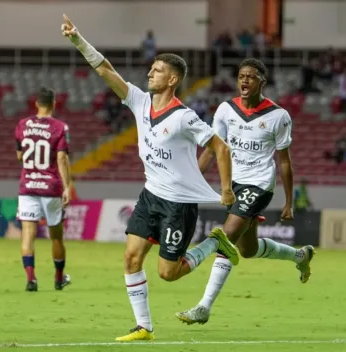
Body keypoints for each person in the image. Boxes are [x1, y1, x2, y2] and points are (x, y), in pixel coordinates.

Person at [61, 14, 239, 341]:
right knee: (130, 257)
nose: (149, 73)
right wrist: (77, 40)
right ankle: (144, 327)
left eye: (157, 71)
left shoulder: (185, 117)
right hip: (150, 195)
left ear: (172, 80)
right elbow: (105, 70)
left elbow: (220, 147)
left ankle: (215, 242)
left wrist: (226, 189)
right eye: (151, 68)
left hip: (178, 204)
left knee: (168, 273)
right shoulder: (139, 101)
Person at [176, 58, 315, 325]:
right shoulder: (226, 110)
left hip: (260, 184)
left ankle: (204, 306)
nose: (244, 80)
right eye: (241, 76)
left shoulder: (278, 116)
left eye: (251, 76)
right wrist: (189, 181)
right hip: (234, 183)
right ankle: (300, 255)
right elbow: (212, 149)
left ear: (262, 82)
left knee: (225, 236)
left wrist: (288, 202)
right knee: (247, 249)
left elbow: (284, 160)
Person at [15, 87, 71, 292]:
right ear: (54, 104)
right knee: (56, 236)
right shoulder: (60, 127)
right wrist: (67, 187)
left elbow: (20, 156)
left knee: (28, 235)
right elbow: (62, 158)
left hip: (28, 186)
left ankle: (31, 279)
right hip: (51, 187)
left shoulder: (22, 125)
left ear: (36, 104)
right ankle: (58, 278)